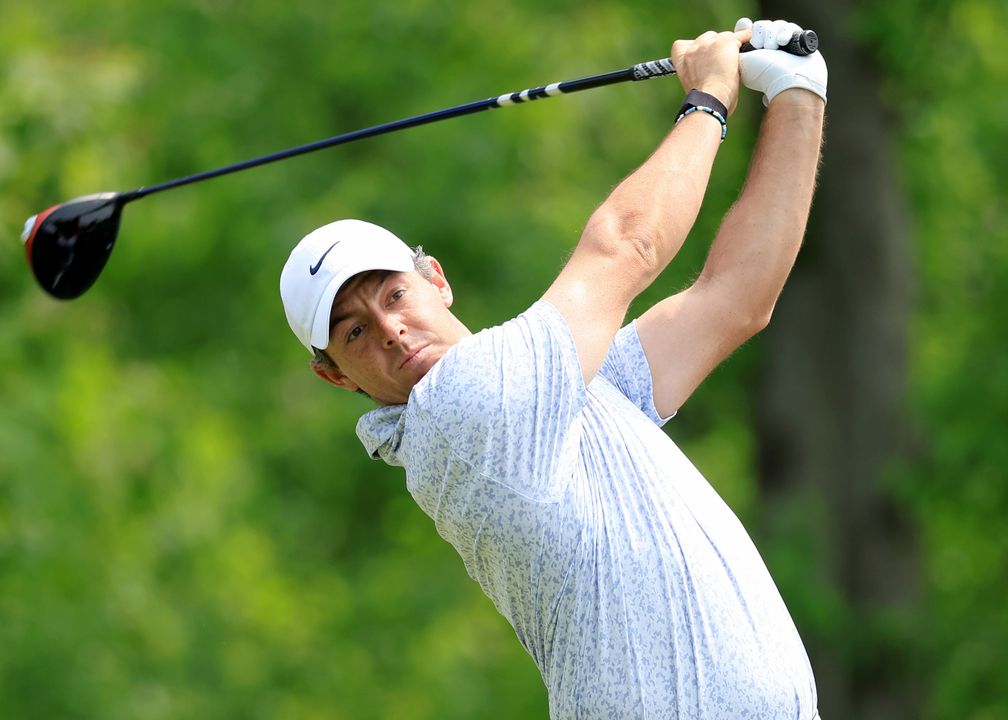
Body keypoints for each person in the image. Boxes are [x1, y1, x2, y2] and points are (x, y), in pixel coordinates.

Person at [279, 18, 827, 719]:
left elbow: (736, 298)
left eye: (394, 295)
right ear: (336, 375)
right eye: (354, 332)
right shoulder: (463, 410)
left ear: (435, 279)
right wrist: (709, 102)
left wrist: (797, 92)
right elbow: (626, 244)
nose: (390, 330)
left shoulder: (561, 399)